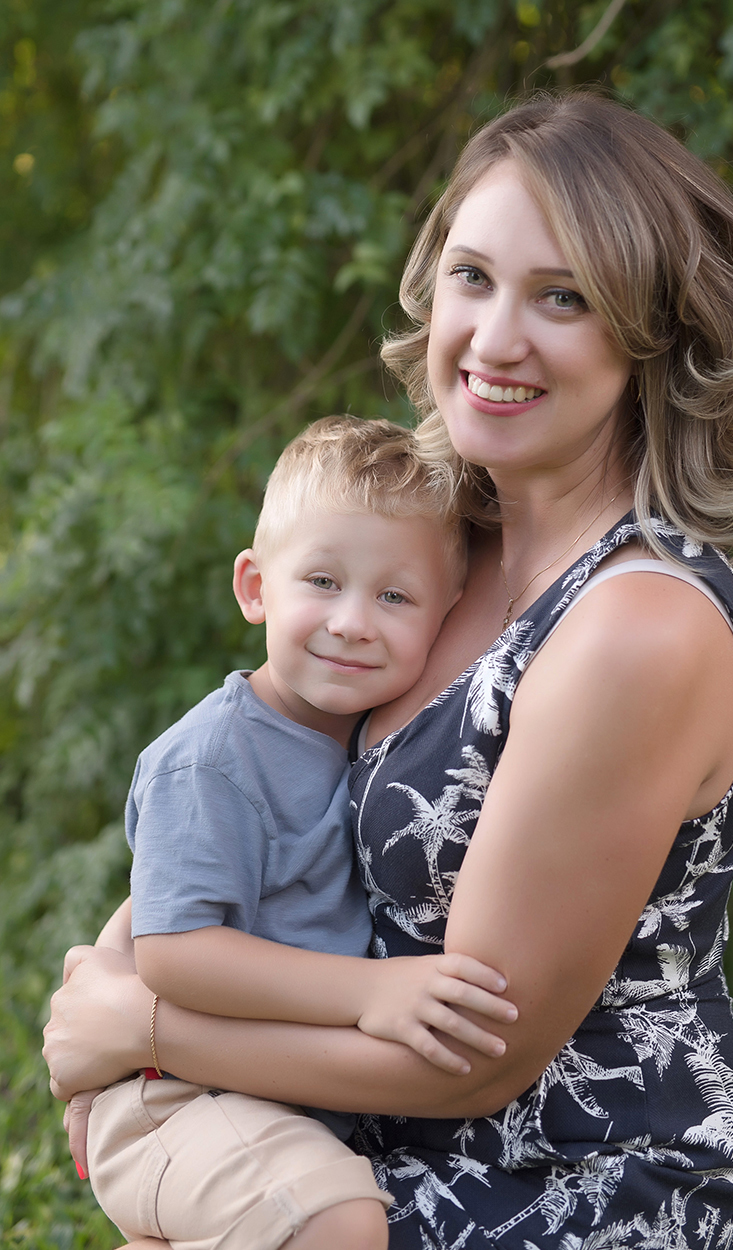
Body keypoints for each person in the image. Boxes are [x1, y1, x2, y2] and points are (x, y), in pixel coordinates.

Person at [44, 91, 733, 1249]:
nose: (494, 338)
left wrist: (144, 1028)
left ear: (647, 331)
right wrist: (129, 981)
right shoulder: (435, 557)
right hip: (358, 1156)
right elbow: (261, 766)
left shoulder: (634, 626)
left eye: (562, 296)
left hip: (572, 1192)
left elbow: (471, 1061)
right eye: (471, 277)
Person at [77, 415, 517, 1250]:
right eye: (322, 580)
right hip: (179, 1097)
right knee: (337, 1222)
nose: (353, 621)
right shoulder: (211, 758)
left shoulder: (371, 740)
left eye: (394, 596)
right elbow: (174, 951)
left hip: (264, 1104)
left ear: (448, 617)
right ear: (255, 588)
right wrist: (372, 995)